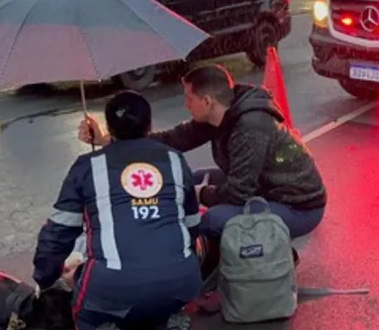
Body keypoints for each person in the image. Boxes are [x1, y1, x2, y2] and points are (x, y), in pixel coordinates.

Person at [78, 64, 327, 245]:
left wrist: (201, 195)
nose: (186, 105)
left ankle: (218, 274)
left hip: (298, 206)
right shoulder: (220, 115)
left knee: (214, 219)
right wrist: (108, 140)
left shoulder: (250, 127)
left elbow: (239, 194)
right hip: (265, 188)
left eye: (189, 98)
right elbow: (171, 140)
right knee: (194, 178)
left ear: (207, 101)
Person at [35, 90, 203, 330]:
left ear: (109, 128)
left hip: (112, 288)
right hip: (182, 282)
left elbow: (58, 233)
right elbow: (192, 226)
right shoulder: (175, 160)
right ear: (149, 125)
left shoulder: (88, 166)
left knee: (84, 315)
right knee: (155, 308)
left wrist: (44, 277)